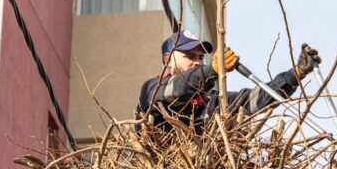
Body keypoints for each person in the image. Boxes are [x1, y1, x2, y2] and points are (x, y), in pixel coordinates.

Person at [136, 29, 321, 133]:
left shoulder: (212, 102)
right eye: (189, 56)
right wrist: (212, 70)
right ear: (168, 59)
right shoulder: (152, 90)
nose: (197, 62)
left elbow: (257, 99)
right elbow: (177, 90)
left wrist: (295, 74)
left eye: (201, 57)